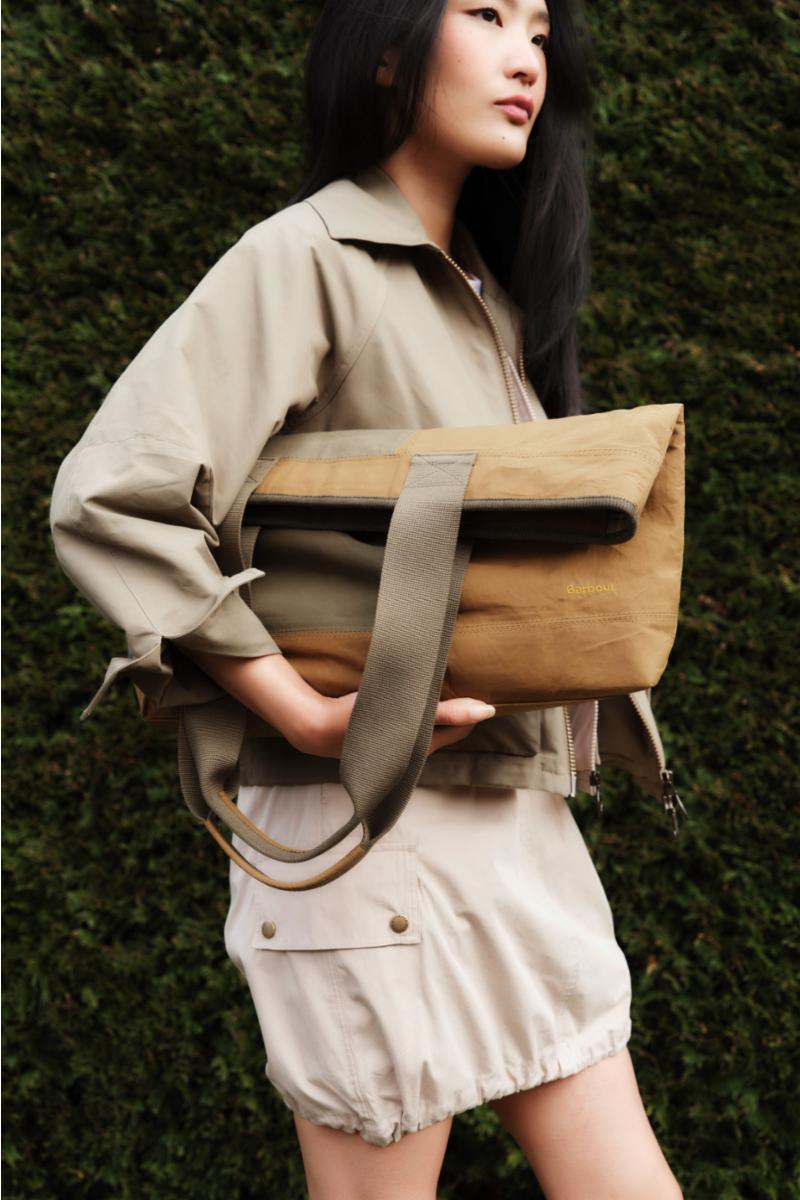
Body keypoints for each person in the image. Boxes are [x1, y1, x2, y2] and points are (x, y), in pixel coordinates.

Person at [49, 1, 685, 1196]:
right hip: (364, 828)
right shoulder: (303, 256)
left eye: (538, 30)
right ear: (386, 50)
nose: (525, 57)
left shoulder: (491, 296)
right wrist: (299, 712)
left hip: (509, 824)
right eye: (485, 14)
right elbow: (114, 494)